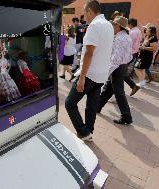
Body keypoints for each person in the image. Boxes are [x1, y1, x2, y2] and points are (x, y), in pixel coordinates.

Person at [65, 0, 114, 141]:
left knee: (70, 103)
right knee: (91, 106)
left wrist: (81, 78)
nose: (84, 15)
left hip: (90, 74)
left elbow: (89, 53)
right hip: (101, 74)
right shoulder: (109, 25)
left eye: (84, 12)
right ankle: (89, 132)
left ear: (90, 11)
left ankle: (83, 132)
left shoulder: (95, 26)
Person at [97, 16, 133, 125]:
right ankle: (97, 107)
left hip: (117, 67)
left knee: (119, 92)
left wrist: (107, 72)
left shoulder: (119, 38)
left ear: (118, 26)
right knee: (109, 89)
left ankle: (126, 117)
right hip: (122, 66)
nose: (112, 26)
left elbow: (115, 59)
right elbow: (129, 56)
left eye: (113, 25)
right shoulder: (126, 37)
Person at [135, 24, 158, 88]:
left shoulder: (153, 38)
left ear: (150, 30)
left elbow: (154, 48)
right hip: (142, 55)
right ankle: (142, 83)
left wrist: (143, 48)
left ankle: (142, 82)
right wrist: (141, 45)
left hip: (146, 56)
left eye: (147, 29)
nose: (145, 30)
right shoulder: (147, 36)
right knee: (141, 69)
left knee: (136, 68)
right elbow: (145, 44)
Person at [126, 18, 143, 96]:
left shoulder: (132, 32)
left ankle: (133, 85)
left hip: (129, 53)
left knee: (119, 72)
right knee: (120, 72)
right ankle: (133, 85)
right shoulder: (138, 31)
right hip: (134, 53)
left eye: (128, 24)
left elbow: (127, 44)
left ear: (130, 24)